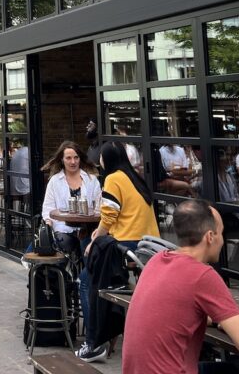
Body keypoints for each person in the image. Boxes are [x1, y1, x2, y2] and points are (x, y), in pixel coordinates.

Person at [122, 199, 239, 374]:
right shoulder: (202, 275)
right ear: (210, 237)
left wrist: (222, 320)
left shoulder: (156, 261)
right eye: (221, 234)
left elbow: (181, 309)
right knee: (236, 370)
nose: (222, 241)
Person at [77, 140, 159, 361]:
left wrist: (98, 237)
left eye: (101, 156)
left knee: (86, 279)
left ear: (108, 159)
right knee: (90, 248)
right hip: (149, 246)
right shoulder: (134, 176)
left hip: (128, 247)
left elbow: (110, 214)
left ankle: (93, 342)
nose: (99, 160)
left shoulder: (113, 178)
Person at [40, 141, 102, 255]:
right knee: (62, 247)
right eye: (68, 158)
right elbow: (47, 209)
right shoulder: (54, 181)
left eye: (76, 157)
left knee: (90, 252)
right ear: (62, 160)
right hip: (63, 228)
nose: (73, 162)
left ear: (80, 159)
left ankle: (86, 271)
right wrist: (48, 225)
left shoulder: (91, 180)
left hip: (88, 229)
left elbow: (99, 206)